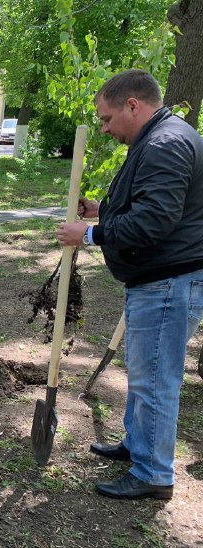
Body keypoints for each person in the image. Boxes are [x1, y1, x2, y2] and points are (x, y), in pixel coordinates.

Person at [57, 69, 203, 500]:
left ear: (133, 106)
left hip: (168, 283)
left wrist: (89, 235)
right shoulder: (160, 138)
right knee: (144, 375)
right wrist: (103, 209)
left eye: (107, 118)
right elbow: (151, 203)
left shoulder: (165, 144)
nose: (104, 128)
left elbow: (156, 221)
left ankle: (154, 474)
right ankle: (139, 446)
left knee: (155, 380)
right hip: (159, 280)